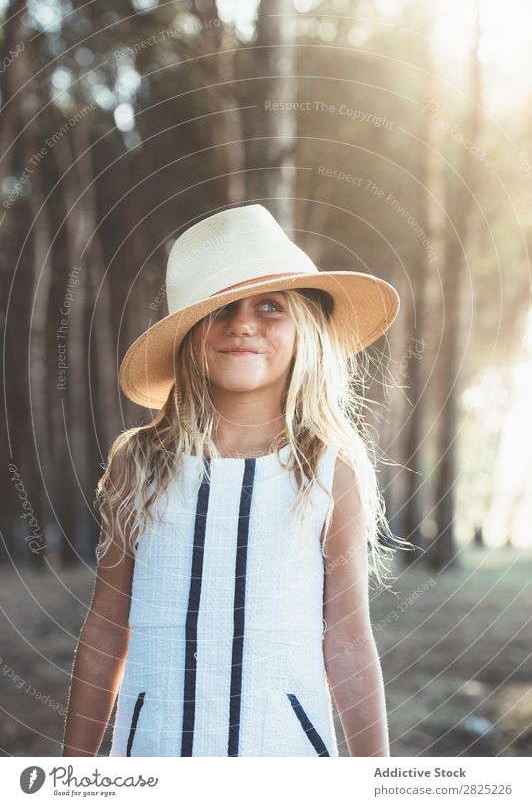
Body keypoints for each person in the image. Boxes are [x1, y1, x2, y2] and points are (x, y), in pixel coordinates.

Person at [62, 203, 410, 758]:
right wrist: (71, 775)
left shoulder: (328, 469)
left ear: (305, 330)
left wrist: (378, 780)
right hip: (154, 757)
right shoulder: (140, 462)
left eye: (269, 306)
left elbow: (347, 638)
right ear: (188, 335)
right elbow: (106, 630)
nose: (242, 323)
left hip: (284, 758)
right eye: (222, 307)